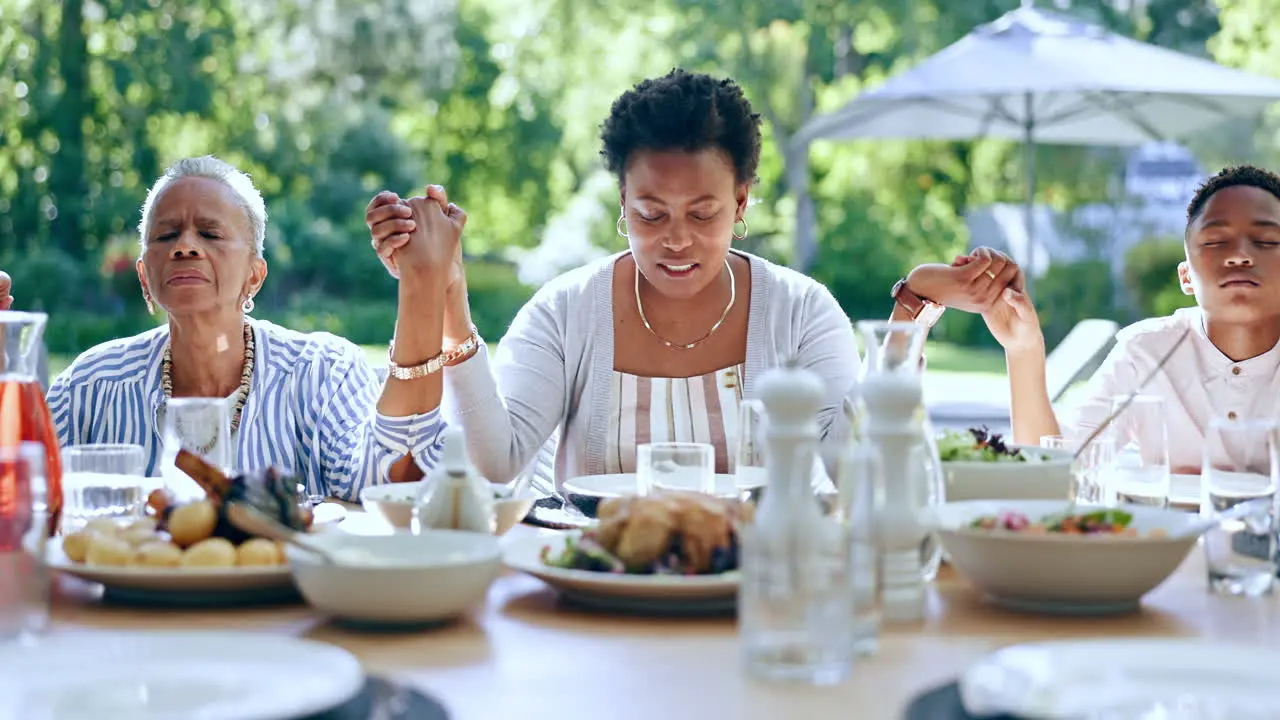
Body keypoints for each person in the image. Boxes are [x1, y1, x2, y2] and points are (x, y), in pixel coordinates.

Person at [365, 68, 1020, 487]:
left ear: (740, 204)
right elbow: (496, 461)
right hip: (599, 594)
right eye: (651, 213)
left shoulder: (797, 310)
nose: (676, 239)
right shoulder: (566, 310)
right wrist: (448, 294)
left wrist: (915, 307)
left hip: (755, 585)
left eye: (703, 213)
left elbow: (848, 467)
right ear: (622, 204)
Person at [3, 155, 454, 501]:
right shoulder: (91, 383)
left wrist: (423, 284)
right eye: (166, 236)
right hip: (133, 616)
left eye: (211, 234)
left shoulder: (322, 371)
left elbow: (388, 478)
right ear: (145, 277)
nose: (185, 247)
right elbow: (18, 489)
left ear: (254, 276)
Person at [983, 164, 1280, 472]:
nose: (1241, 255)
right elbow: (1054, 470)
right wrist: (1023, 350)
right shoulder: (1145, 353)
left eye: (1268, 241)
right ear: (1186, 276)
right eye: (1216, 241)